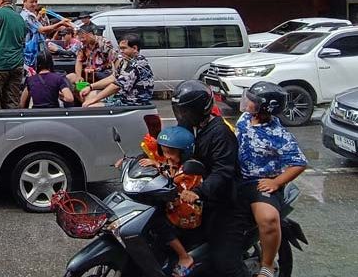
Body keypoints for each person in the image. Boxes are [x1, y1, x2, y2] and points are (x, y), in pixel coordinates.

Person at [170, 80, 247, 277]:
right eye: (179, 111)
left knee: (225, 263)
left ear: (199, 110)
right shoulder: (190, 127)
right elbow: (172, 147)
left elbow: (223, 171)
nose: (181, 116)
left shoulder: (220, 133)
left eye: (185, 112)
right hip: (196, 198)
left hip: (224, 203)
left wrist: (197, 192)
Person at [236, 82, 307, 277]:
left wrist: (276, 183)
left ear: (265, 107)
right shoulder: (244, 118)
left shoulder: (278, 134)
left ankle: (267, 265)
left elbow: (299, 162)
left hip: (260, 183)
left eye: (252, 101)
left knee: (268, 219)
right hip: (237, 177)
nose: (247, 102)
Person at [139, 126, 200, 277]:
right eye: (164, 152)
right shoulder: (172, 163)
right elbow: (166, 167)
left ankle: (184, 257)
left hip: (186, 212)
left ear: (184, 153)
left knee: (156, 220)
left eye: (171, 152)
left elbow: (175, 179)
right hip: (174, 204)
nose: (167, 156)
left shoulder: (190, 169)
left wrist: (157, 165)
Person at [79, 33, 153, 107]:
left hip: (133, 101)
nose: (121, 51)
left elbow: (116, 86)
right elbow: (113, 77)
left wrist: (94, 100)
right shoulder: (126, 60)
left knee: (90, 107)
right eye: (120, 48)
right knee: (88, 95)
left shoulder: (137, 64)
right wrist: (90, 87)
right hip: (122, 97)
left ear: (134, 48)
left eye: (124, 48)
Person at [20, 0, 69, 68]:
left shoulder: (30, 15)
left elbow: (42, 30)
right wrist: (60, 23)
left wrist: (57, 27)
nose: (34, 4)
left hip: (35, 52)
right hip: (31, 54)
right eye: (32, 2)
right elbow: (41, 29)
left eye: (36, 1)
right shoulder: (27, 16)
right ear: (24, 1)